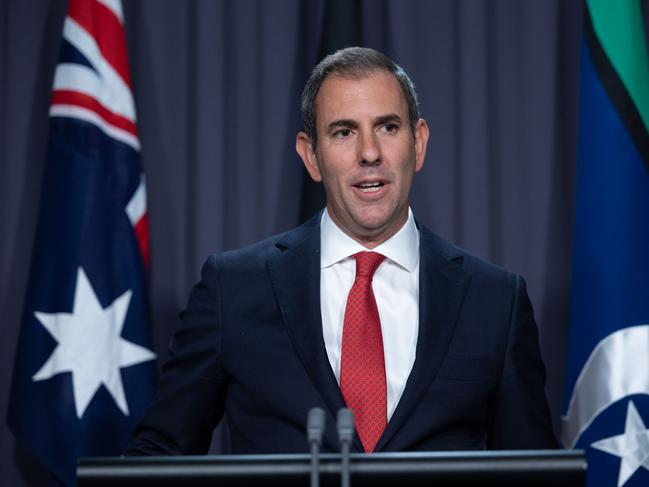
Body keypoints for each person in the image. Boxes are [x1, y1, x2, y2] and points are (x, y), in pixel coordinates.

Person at [125, 47, 557, 456]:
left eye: (388, 127)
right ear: (311, 156)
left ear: (418, 143)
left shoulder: (494, 300)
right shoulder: (233, 290)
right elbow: (158, 456)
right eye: (344, 132)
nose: (369, 153)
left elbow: (537, 474)